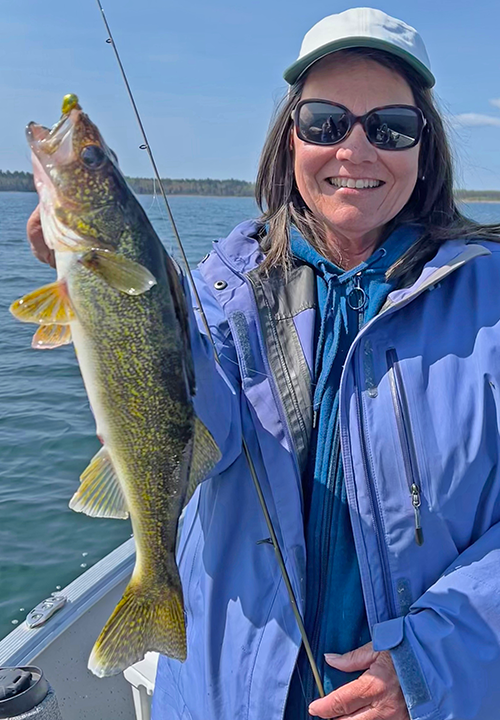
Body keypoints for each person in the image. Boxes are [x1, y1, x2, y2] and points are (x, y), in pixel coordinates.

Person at [27, 7, 500, 720]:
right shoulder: (221, 290)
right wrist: (100, 298)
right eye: (325, 123)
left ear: (425, 150)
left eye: (391, 128)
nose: (355, 149)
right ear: (291, 138)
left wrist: (438, 658)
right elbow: (186, 430)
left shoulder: (489, 299)